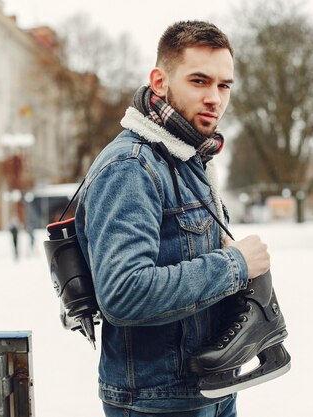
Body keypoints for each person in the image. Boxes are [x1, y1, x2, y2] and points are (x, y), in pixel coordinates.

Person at [73, 21, 270, 416]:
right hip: (156, 403)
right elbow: (124, 293)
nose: (214, 98)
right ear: (159, 82)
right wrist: (235, 264)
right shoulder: (131, 167)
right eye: (199, 81)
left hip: (211, 390)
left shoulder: (186, 158)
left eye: (224, 85)